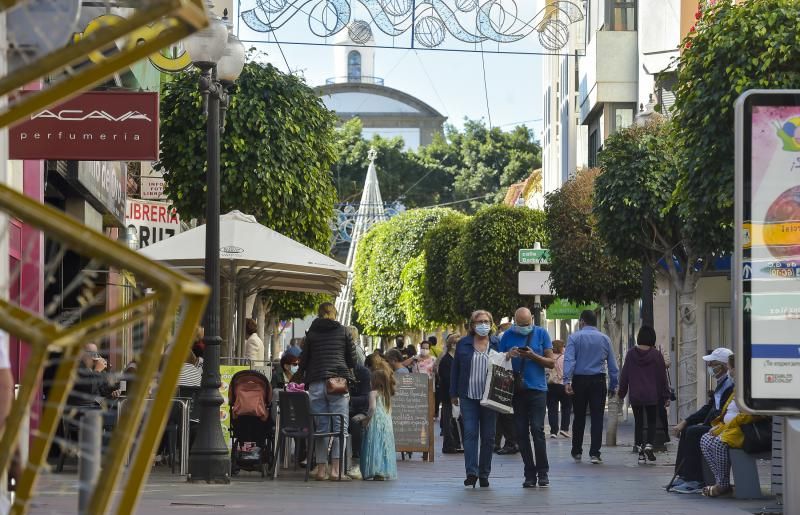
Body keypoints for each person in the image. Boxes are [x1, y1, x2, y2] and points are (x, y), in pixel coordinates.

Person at [296, 302, 357, 481]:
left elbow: (304, 361)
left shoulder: (311, 333)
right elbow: (352, 360)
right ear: (334, 314)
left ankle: (321, 469)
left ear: (319, 314)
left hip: (316, 383)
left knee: (321, 427)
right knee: (340, 428)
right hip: (337, 383)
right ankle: (336, 471)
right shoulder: (344, 331)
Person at [499, 307, 555, 488]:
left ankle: (543, 472)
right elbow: (498, 361)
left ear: (532, 318)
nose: (524, 327)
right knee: (521, 433)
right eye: (520, 324)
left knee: (537, 430)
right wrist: (509, 355)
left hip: (538, 390)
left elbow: (551, 362)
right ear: (514, 321)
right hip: (516, 391)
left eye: (527, 324)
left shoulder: (541, 333)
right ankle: (529, 473)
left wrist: (532, 355)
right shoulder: (507, 336)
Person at [669, 347, 734, 494]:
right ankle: (684, 475)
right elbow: (708, 408)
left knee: (694, 432)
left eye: (713, 364)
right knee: (688, 430)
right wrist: (686, 421)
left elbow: (719, 412)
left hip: (724, 427)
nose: (710, 367)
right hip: (718, 424)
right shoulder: (721, 385)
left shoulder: (729, 386)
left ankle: (696, 479)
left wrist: (702, 424)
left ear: (724, 367)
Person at [699, 354, 765, 497]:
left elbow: (752, 413)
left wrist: (727, 426)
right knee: (705, 439)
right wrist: (721, 426)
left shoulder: (751, 387)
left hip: (746, 430)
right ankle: (721, 481)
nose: (729, 371)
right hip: (731, 427)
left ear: (736, 368)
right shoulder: (737, 387)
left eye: (730, 368)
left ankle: (722, 485)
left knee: (718, 443)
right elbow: (727, 411)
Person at [451, 310, 499, 488]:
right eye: (479, 321)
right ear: (472, 325)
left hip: (490, 397)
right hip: (468, 395)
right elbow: (455, 369)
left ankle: (484, 473)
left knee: (489, 437)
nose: (483, 324)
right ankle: (472, 472)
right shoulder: (463, 343)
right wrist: (453, 394)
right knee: (470, 433)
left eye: (486, 321)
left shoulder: (496, 343)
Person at [563, 310, 619, 464]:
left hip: (579, 381)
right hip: (598, 381)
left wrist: (567, 381)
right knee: (597, 417)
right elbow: (613, 365)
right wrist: (614, 385)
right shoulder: (605, 339)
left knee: (579, 416)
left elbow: (569, 360)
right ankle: (595, 453)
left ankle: (577, 451)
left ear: (582, 322)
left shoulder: (574, 337)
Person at [617, 325, 670, 464]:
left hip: (636, 395)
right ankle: (649, 445)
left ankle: (640, 452)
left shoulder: (630, 354)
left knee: (639, 422)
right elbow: (662, 376)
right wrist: (665, 395)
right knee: (652, 421)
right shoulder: (656, 355)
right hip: (652, 394)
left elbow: (625, 375)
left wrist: (621, 394)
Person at [360, 360, 397, 480]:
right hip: (386, 423)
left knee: (374, 444)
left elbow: (372, 408)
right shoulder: (387, 394)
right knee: (384, 445)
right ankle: (384, 469)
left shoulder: (373, 393)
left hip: (375, 422)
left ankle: (375, 469)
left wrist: (366, 419)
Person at [347, 349, 371, 480]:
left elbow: (366, 398)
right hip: (343, 409)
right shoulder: (339, 371)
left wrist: (348, 399)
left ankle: (357, 460)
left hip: (360, 410)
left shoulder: (363, 372)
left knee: (355, 423)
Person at [438, 333, 463, 454]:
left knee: (455, 420)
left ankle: (456, 444)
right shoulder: (446, 360)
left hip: (455, 394)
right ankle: (449, 445)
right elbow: (447, 379)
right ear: (453, 345)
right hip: (448, 395)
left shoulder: (456, 359)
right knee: (449, 420)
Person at [546, 339, 571, 439]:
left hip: (551, 385)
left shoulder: (548, 358)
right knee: (566, 407)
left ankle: (553, 431)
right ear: (562, 347)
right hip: (564, 384)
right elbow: (569, 371)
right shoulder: (565, 357)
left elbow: (546, 370)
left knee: (552, 409)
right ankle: (564, 429)